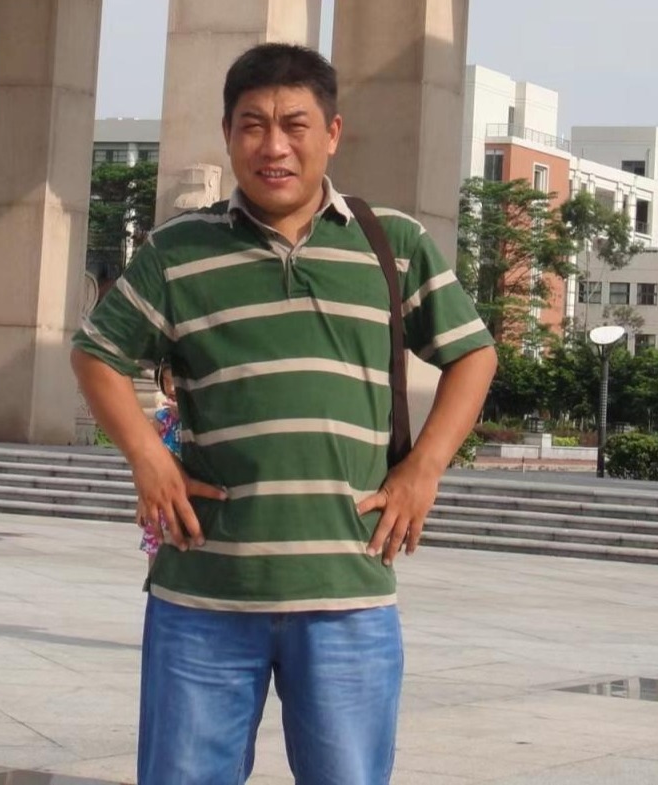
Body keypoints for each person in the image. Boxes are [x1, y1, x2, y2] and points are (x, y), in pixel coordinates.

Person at [71, 43, 497, 785]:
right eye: (252, 125)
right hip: (203, 594)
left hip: (347, 592)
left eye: (294, 125)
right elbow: (95, 352)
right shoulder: (178, 251)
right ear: (227, 133)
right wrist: (147, 457)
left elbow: (473, 354)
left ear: (332, 133)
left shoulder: (390, 243)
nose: (273, 146)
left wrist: (423, 470)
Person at [137, 362, 182, 563]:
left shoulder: (199, 421)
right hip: (159, 500)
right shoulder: (161, 419)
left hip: (185, 500)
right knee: (155, 555)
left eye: (175, 382)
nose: (170, 388)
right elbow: (145, 462)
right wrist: (142, 501)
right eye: (165, 381)